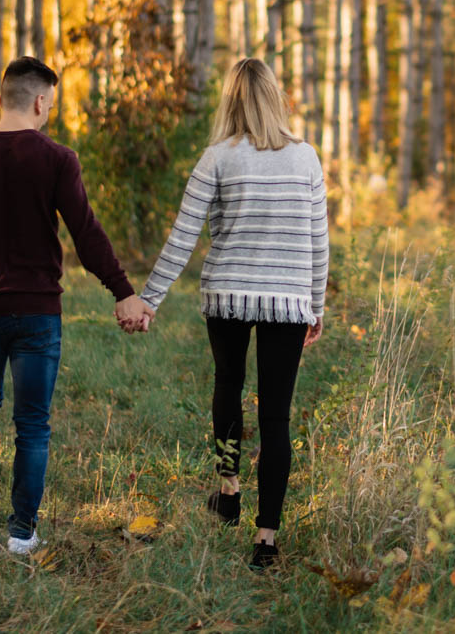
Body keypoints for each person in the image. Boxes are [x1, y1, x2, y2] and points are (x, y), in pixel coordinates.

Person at [0, 56, 151, 556]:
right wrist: (123, 291)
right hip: (37, 314)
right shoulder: (56, 158)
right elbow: (86, 233)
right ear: (41, 101)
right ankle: (21, 535)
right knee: (32, 425)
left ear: (2, 97)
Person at [135, 57, 328, 570]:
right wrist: (316, 304)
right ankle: (266, 540)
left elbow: (182, 236)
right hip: (288, 301)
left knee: (228, 386)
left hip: (228, 297)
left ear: (231, 100)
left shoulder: (216, 157)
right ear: (276, 98)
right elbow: (318, 240)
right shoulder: (306, 158)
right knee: (276, 415)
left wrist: (150, 299)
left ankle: (229, 490)